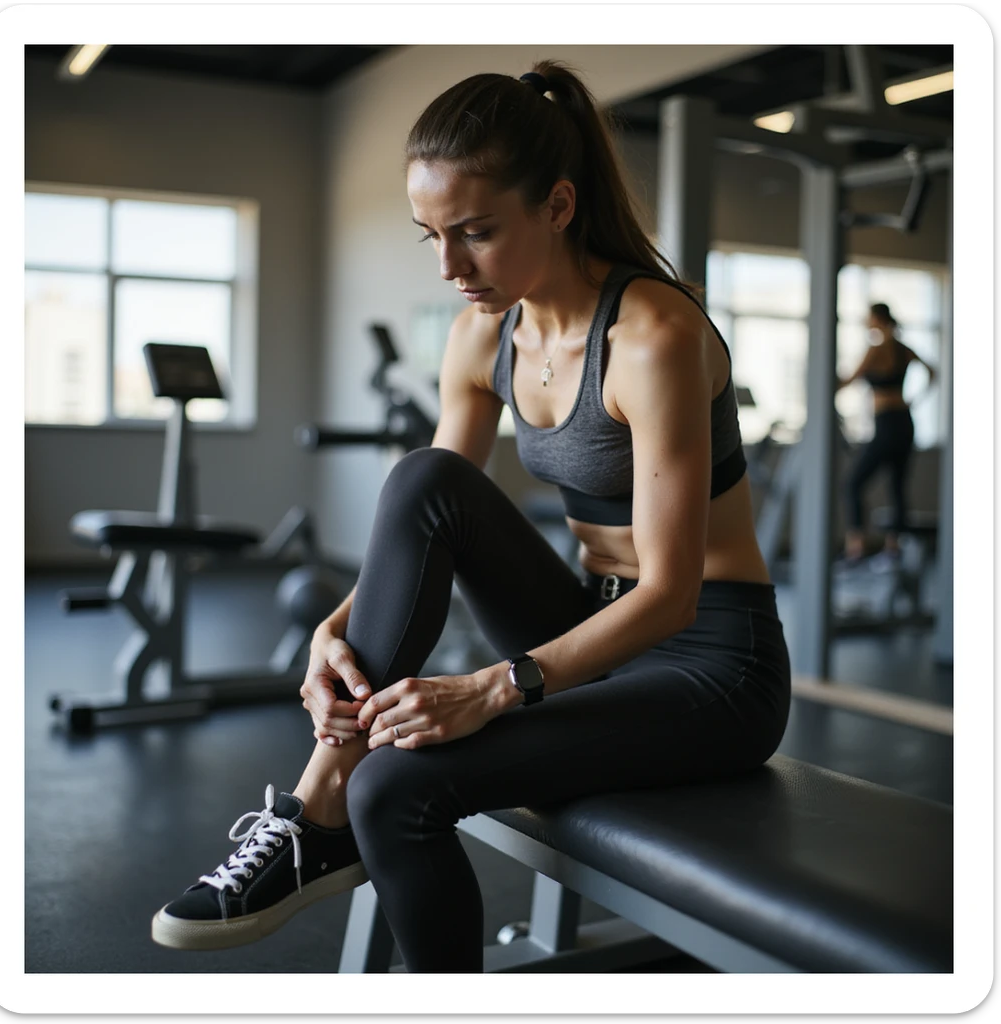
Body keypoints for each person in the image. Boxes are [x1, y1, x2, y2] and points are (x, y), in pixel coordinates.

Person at [150, 61, 792, 973]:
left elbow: (674, 595)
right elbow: (424, 517)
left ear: (559, 206)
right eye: (433, 237)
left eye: (478, 234)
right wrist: (332, 632)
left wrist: (491, 687)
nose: (452, 267)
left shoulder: (652, 336)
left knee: (396, 790)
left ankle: (327, 822)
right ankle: (316, 797)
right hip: (588, 617)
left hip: (711, 662)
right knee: (424, 477)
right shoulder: (484, 335)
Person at [836, 302, 937, 564]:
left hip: (887, 423)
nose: (865, 321)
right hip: (905, 421)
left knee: (853, 483)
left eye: (868, 317)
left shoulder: (876, 349)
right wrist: (914, 399)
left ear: (877, 319)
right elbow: (932, 372)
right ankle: (894, 548)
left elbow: (850, 379)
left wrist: (824, 383)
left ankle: (856, 546)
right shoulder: (903, 349)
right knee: (897, 486)